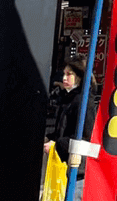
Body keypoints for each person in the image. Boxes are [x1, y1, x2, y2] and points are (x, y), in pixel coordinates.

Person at [44, 58, 95, 200]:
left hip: (78, 170)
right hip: (66, 166)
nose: (64, 77)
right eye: (64, 73)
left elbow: (86, 137)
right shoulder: (68, 97)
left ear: (78, 77)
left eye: (69, 74)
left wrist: (56, 144)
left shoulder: (83, 101)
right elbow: (63, 128)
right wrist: (51, 137)